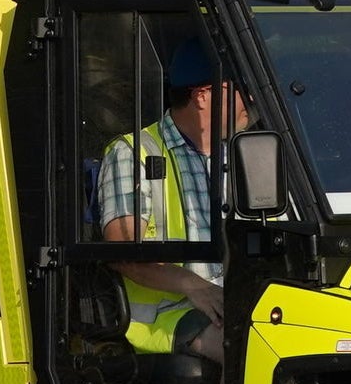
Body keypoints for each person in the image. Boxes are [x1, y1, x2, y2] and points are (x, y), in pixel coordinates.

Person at [94, 40, 249, 361]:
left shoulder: (247, 152)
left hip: (238, 299)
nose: (250, 100)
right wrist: (194, 286)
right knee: (244, 349)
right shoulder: (134, 153)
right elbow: (123, 252)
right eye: (241, 90)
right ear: (204, 96)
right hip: (168, 313)